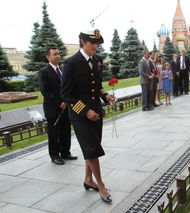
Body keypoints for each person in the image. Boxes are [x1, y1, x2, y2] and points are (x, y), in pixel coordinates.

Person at [60, 29, 114, 203]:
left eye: (97, 44)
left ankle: (88, 180)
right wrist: (85, 111)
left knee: (91, 148)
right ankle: (101, 185)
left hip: (96, 111)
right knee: (92, 149)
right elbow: (66, 95)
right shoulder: (71, 63)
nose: (96, 47)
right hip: (79, 114)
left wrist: (105, 96)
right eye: (93, 43)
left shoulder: (97, 61)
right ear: (83, 41)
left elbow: (97, 86)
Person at [39, 47, 77, 165]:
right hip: (53, 108)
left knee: (66, 130)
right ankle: (54, 155)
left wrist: (67, 100)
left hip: (66, 107)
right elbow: (45, 91)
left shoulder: (63, 69)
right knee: (54, 132)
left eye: (59, 54)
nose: (58, 56)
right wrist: (59, 102)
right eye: (55, 54)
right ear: (48, 57)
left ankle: (65, 152)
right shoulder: (43, 71)